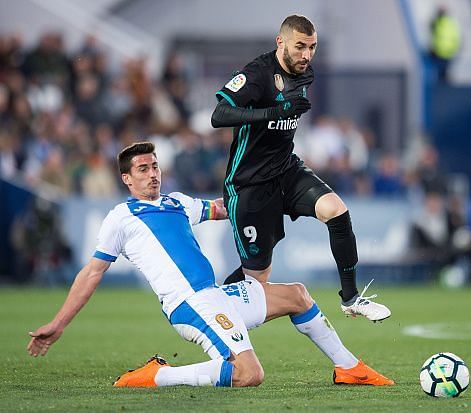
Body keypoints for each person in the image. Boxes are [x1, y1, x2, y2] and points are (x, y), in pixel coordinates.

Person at [27, 142, 394, 388]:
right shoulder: (121, 218)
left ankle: (348, 368)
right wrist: (58, 324)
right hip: (191, 304)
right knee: (249, 374)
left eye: (155, 166)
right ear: (127, 179)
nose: (152, 173)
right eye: (142, 169)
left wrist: (273, 196)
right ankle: (158, 376)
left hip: (216, 295)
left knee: (297, 295)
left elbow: (224, 208)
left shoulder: (176, 203)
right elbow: (92, 272)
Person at [210, 15, 390, 322]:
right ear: (280, 42)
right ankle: (212, 310)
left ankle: (350, 298)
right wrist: (273, 112)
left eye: (312, 47)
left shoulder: (305, 73)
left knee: (336, 210)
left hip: (286, 170)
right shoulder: (257, 73)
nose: (306, 54)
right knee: (255, 283)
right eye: (300, 46)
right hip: (250, 183)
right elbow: (219, 114)